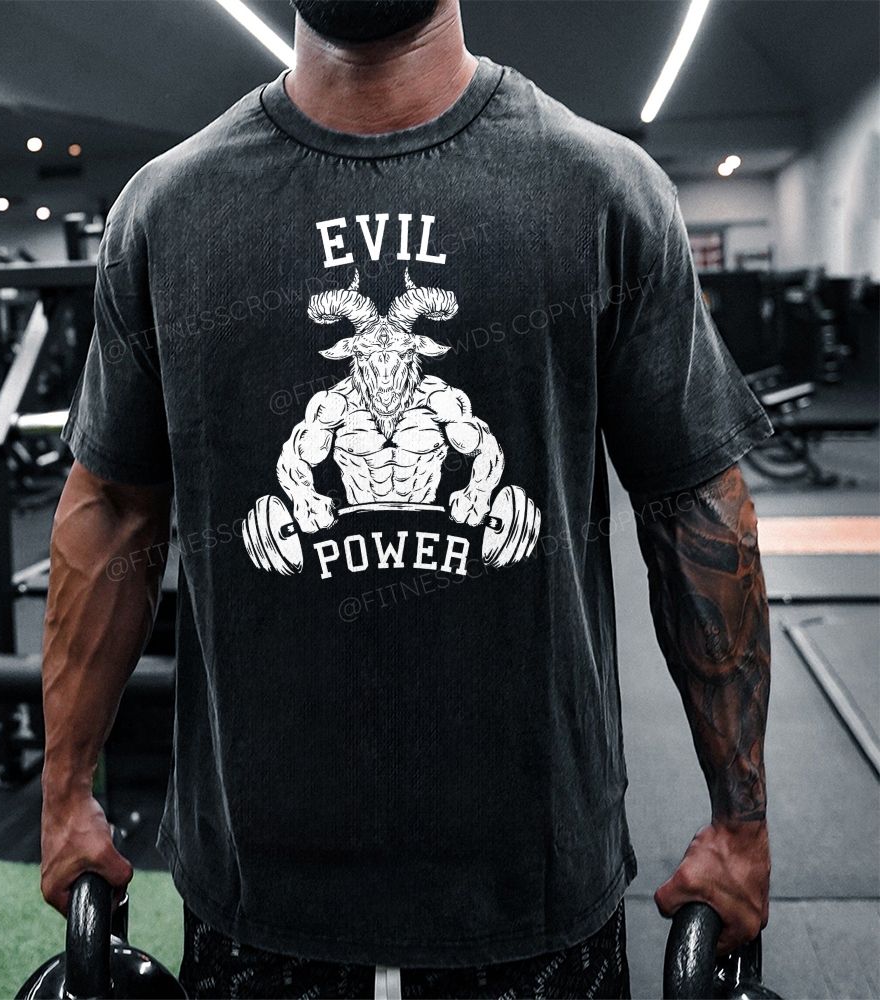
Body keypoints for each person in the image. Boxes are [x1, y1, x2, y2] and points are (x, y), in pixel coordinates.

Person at [39, 1, 773, 996]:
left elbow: (697, 510)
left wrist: (741, 819)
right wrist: (64, 792)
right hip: (256, 889)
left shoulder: (602, 188)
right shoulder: (166, 212)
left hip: (533, 892)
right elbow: (115, 511)